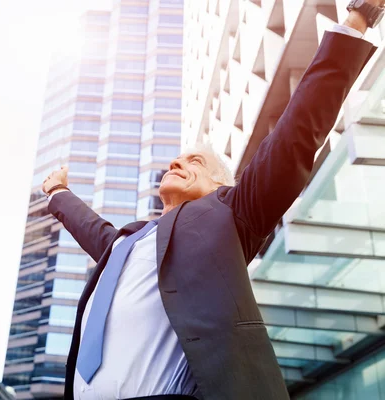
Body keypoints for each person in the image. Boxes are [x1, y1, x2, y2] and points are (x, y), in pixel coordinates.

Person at [42, 3, 382, 399]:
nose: (177, 162)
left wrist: (358, 18)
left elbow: (295, 134)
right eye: (177, 159)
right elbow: (92, 229)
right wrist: (58, 193)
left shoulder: (230, 214)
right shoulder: (124, 244)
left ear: (221, 185)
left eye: (194, 162)